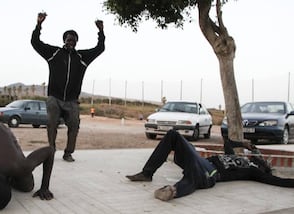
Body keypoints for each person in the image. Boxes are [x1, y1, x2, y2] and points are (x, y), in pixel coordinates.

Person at [126, 130, 294, 201]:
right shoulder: (235, 156)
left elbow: (278, 181)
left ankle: (174, 191)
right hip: (202, 162)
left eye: (263, 161)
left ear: (262, 166)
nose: (259, 159)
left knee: (195, 177)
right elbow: (228, 142)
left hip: (212, 173)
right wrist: (243, 144)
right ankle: (147, 173)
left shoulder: (253, 171)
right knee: (173, 135)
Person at [31, 12, 105, 162]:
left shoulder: (82, 57)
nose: (71, 42)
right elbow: (35, 42)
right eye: (68, 39)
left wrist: (101, 31)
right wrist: (39, 24)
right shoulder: (54, 53)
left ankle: (68, 152)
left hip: (71, 100)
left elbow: (100, 48)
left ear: (77, 42)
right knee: (51, 124)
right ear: (64, 40)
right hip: (54, 98)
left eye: (74, 40)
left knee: (74, 125)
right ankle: (51, 149)